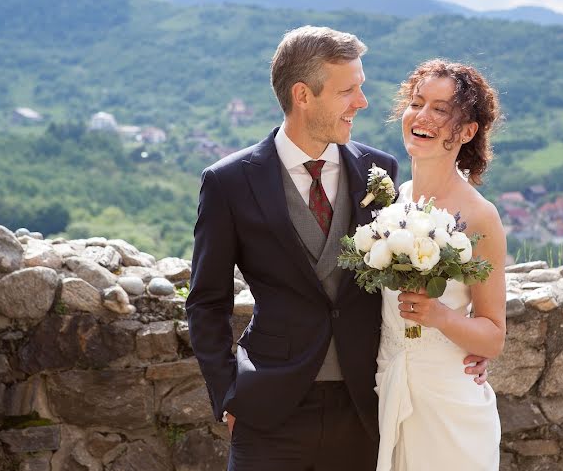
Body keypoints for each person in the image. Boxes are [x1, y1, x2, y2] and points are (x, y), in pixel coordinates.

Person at [186, 27, 488, 471]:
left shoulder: (378, 171)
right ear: (303, 95)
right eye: (349, 90)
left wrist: (460, 343)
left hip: (364, 408)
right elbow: (207, 301)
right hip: (269, 410)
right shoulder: (229, 182)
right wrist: (228, 393)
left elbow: (405, 275)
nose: (362, 102)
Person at [375, 59, 506, 471]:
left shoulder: (480, 216)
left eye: (441, 109)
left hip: (448, 403)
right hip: (385, 386)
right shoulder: (394, 200)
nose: (422, 116)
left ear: (467, 132)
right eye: (417, 103)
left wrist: (440, 317)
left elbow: (492, 338)